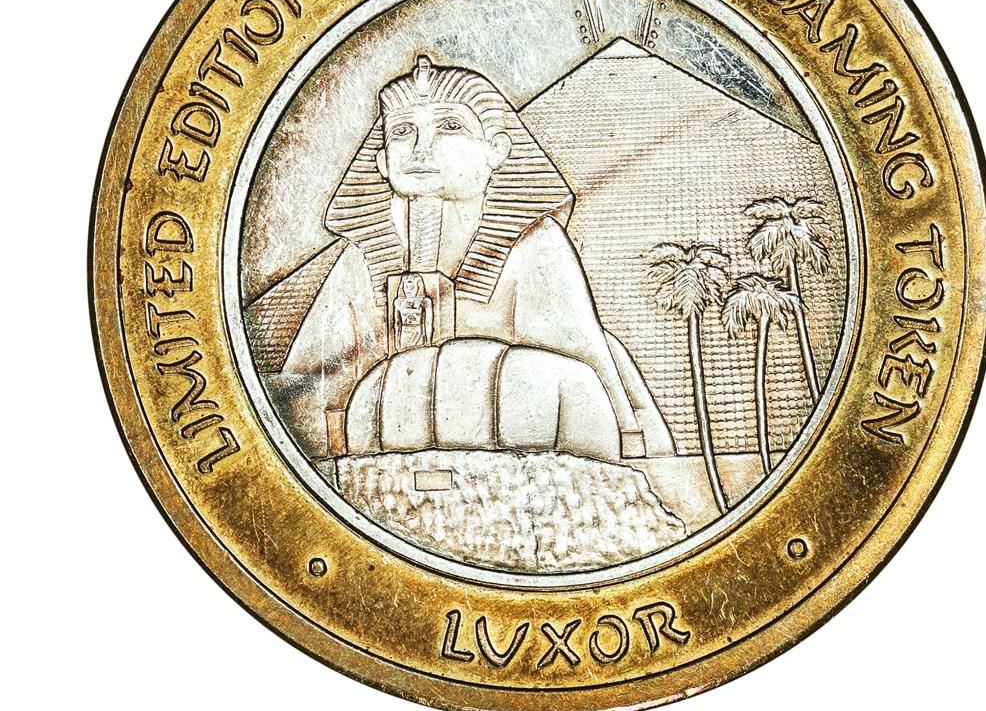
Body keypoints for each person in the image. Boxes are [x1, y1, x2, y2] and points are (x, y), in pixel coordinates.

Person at [247, 54, 673, 462]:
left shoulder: (534, 245)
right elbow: (306, 393)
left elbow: (585, 385)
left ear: (497, 150)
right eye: (401, 131)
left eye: (449, 126)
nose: (421, 148)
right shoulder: (360, 258)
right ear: (381, 162)